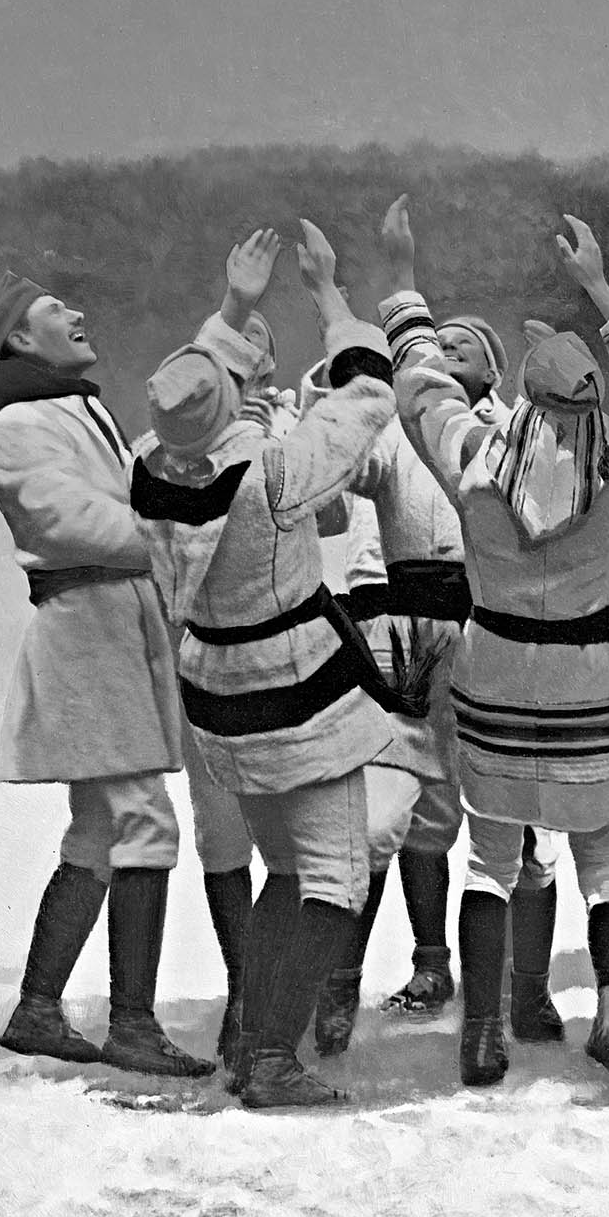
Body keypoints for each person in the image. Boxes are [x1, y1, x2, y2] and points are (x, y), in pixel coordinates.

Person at [379, 198, 609, 1097]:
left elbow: (420, 385)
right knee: (606, 861)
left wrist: (403, 281)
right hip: (595, 680)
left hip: (496, 676)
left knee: (488, 857)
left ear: (522, 393)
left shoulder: (477, 457)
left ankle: (480, 1035)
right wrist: (598, 285)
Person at [129, 222, 409, 1109]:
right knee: (333, 880)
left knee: (282, 873)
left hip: (219, 697)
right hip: (297, 696)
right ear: (241, 394)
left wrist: (232, 308)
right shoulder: (272, 470)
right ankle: (274, 1056)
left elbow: (183, 404)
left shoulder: (151, 472)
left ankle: (254, 1041)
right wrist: (328, 294)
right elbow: (368, 395)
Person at [296, 270, 566, 1057]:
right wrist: (338, 394)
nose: (442, 355)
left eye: (462, 349)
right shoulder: (399, 439)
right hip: (406, 644)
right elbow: (333, 493)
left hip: (494, 635)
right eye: (433, 345)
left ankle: (518, 989)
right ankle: (338, 986)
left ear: (491, 370)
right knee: (382, 816)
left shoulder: (515, 437)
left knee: (504, 820)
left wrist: (549, 387)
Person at [0, 270, 215, 1079]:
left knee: (101, 830)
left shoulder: (79, 408)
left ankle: (38, 1009)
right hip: (86, 636)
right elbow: (65, 518)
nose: (76, 312)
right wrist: (170, 528)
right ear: (19, 341)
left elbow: (121, 486)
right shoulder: (18, 426)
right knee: (146, 822)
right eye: (53, 310)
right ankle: (134, 1025)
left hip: (115, 631)